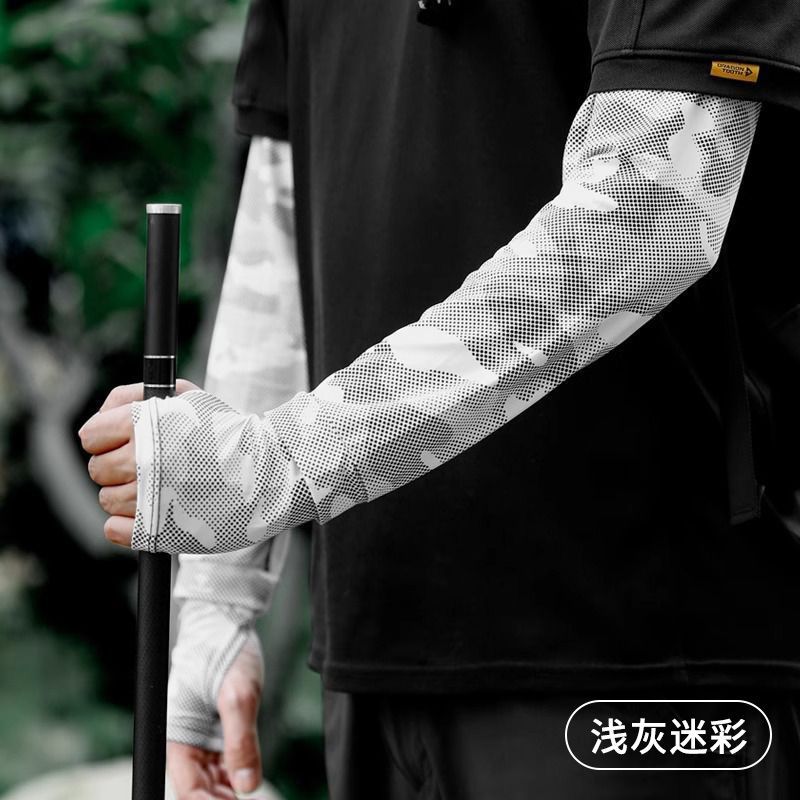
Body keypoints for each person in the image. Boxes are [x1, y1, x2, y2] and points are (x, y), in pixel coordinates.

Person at [79, 2, 800, 798]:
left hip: (641, 649)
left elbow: (655, 208)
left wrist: (272, 465)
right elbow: (282, 194)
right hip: (376, 651)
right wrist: (217, 600)